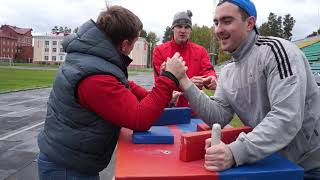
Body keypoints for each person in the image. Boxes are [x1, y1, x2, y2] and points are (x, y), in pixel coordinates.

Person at [172, 0, 320, 179]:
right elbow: (218, 116)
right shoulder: (227, 71)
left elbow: (286, 117)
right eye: (216, 22)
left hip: (310, 164)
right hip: (271, 162)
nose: (218, 29)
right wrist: (185, 82)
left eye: (227, 21)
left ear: (249, 23)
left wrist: (234, 153)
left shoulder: (278, 52)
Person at [37, 5, 187, 179]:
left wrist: (163, 95)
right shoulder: (96, 78)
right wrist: (168, 78)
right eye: (134, 42)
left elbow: (124, 86)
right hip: (67, 168)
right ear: (124, 45)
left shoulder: (93, 59)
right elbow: (140, 119)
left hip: (71, 161)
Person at [152, 10, 217, 109]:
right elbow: (159, 83)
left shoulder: (201, 51)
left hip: (196, 110)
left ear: (190, 30)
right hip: (170, 108)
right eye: (179, 26)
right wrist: (188, 85)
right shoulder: (159, 50)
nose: (183, 30)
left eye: (187, 27)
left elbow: (208, 70)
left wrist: (211, 78)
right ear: (173, 28)